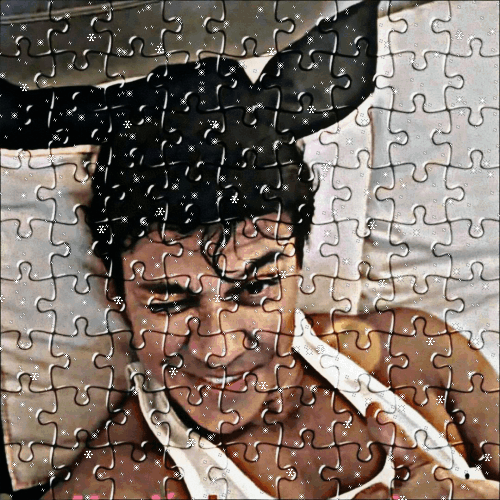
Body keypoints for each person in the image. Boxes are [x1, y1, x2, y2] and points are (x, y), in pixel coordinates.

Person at [2, 3, 497, 499]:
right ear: (117, 293)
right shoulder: (121, 483)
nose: (218, 349)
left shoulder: (420, 352)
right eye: (169, 302)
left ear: (297, 265)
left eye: (257, 286)